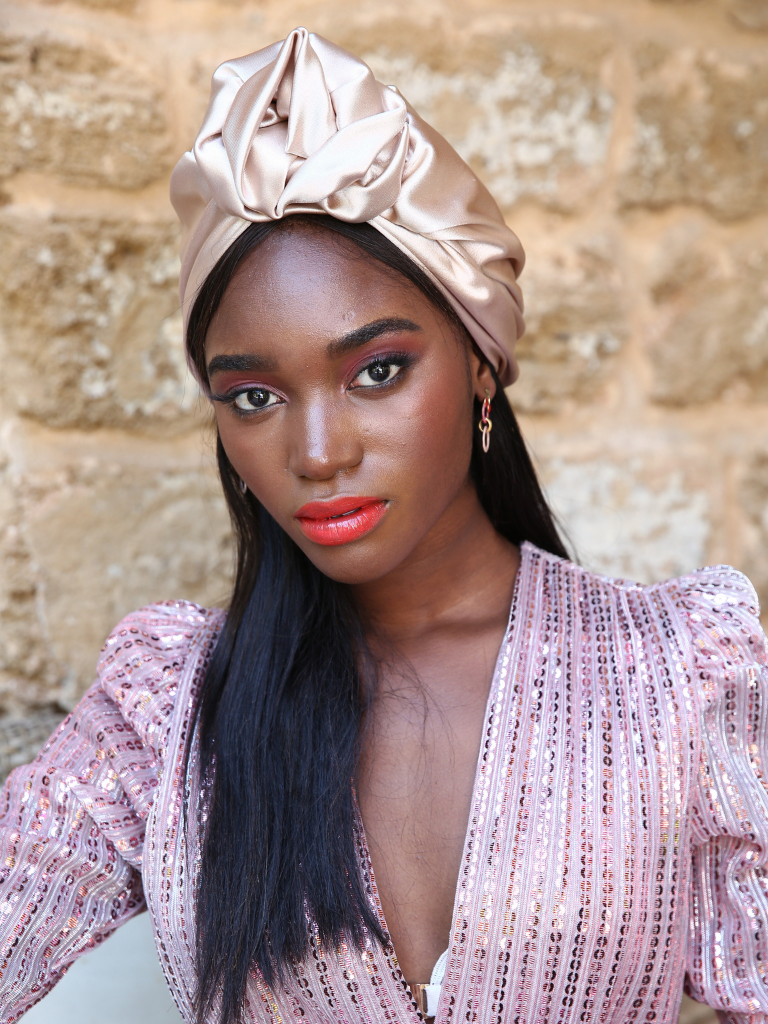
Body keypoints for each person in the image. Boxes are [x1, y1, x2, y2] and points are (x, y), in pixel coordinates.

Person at [1, 25, 767, 1024]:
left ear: (481, 363)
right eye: (254, 396)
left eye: (377, 371)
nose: (318, 452)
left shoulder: (680, 678)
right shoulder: (172, 713)